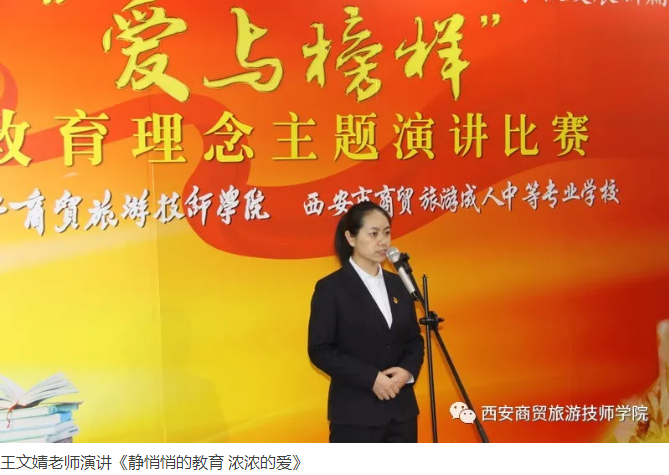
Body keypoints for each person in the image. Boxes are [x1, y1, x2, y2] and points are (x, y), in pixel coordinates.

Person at [308, 201, 425, 443]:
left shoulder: (400, 284)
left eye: (386, 233)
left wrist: (407, 372)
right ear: (351, 238)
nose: (382, 241)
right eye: (373, 234)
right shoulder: (331, 288)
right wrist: (371, 378)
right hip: (355, 417)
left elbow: (414, 340)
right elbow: (320, 350)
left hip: (402, 415)